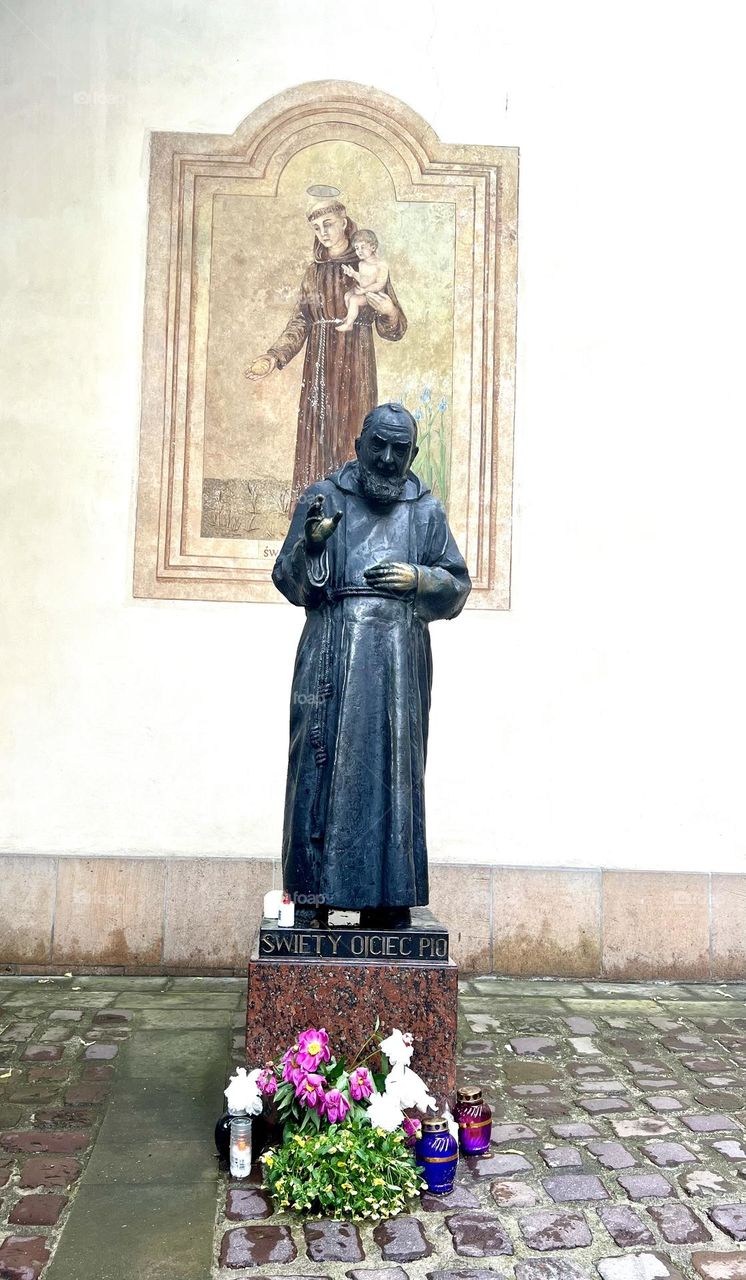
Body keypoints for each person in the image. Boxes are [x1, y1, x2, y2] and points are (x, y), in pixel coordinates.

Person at [272, 402, 471, 928]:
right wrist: (311, 550)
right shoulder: (323, 497)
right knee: (319, 771)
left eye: (398, 449)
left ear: (414, 454)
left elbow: (456, 587)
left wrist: (421, 580)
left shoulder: (425, 511)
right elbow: (288, 581)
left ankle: (388, 901)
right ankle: (312, 900)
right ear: (358, 444)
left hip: (399, 669)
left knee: (393, 777)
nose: (386, 459)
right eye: (377, 445)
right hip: (330, 661)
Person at [245, 191, 407, 499]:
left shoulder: (368, 266)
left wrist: (389, 312)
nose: (323, 232)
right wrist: (274, 356)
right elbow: (301, 321)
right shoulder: (313, 272)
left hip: (355, 364)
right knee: (317, 438)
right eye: (317, 226)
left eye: (329, 223)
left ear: (344, 223)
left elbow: (395, 329)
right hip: (318, 367)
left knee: (352, 434)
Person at [337, 229, 389, 333]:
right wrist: (353, 274)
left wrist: (364, 290)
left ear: (373, 247)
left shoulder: (381, 265)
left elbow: (380, 284)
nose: (359, 251)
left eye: (362, 247)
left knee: (354, 300)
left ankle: (349, 324)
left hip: (375, 295)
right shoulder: (361, 264)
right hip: (363, 291)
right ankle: (350, 317)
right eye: (357, 248)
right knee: (347, 295)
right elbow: (363, 279)